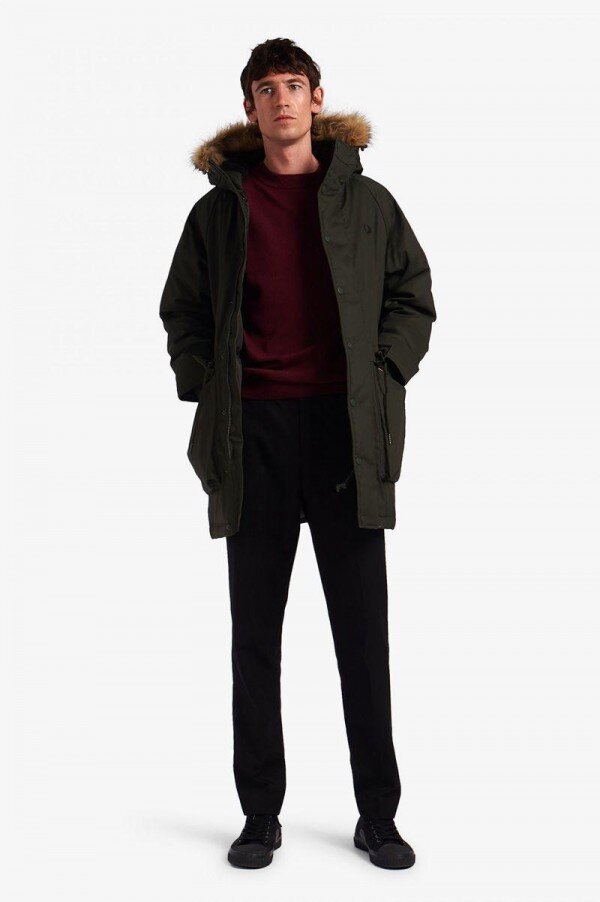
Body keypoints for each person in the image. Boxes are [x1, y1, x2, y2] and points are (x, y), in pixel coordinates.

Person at [159, 37, 436, 870]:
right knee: (256, 638)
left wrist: (384, 371)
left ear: (317, 98)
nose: (280, 100)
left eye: (293, 85)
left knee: (363, 637)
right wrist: (207, 383)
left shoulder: (369, 204)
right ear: (248, 107)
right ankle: (259, 816)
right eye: (265, 89)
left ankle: (378, 817)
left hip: (347, 434)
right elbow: (181, 310)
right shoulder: (218, 213)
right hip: (254, 436)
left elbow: (412, 296)